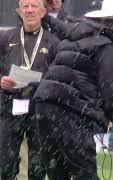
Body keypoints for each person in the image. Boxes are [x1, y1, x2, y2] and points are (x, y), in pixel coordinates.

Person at [32, 0, 113, 179]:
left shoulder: (76, 32)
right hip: (71, 109)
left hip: (44, 103)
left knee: (57, 171)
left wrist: (44, 15)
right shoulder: (109, 50)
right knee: (85, 172)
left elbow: (58, 27)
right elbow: (110, 97)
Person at [0, 0, 60, 179]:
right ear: (19, 11)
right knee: (5, 165)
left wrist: (40, 83)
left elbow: (59, 78)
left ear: (43, 12)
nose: (29, 10)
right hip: (9, 108)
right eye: (25, 6)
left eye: (34, 6)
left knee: (38, 167)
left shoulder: (53, 42)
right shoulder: (5, 38)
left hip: (40, 109)